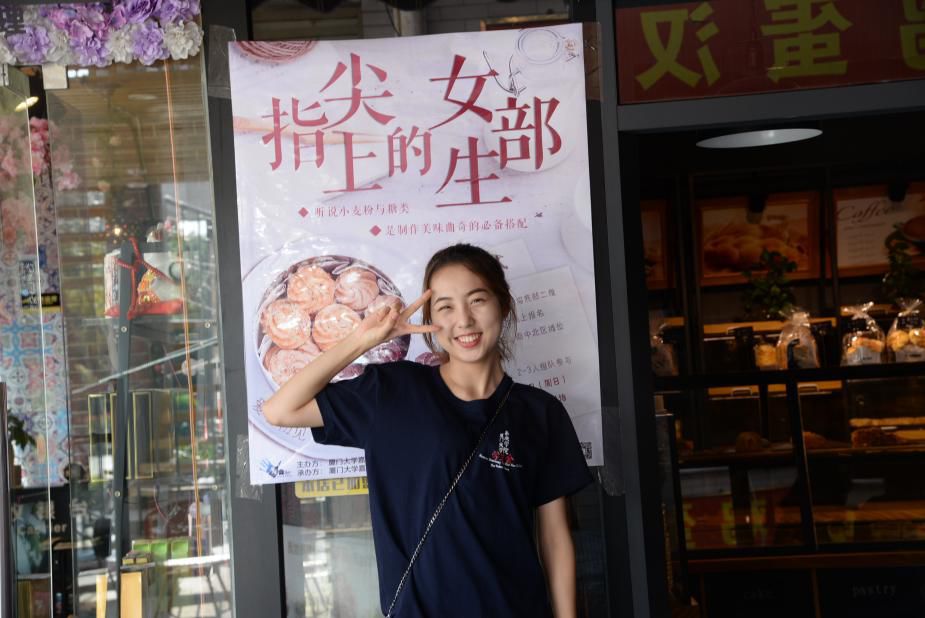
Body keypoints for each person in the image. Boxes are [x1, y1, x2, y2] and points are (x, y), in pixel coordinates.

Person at [263, 243, 592, 617]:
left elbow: (555, 538)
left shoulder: (540, 412)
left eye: (477, 300)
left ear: (503, 304)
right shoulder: (391, 392)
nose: (464, 320)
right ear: (430, 318)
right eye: (446, 307)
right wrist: (362, 340)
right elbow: (280, 410)